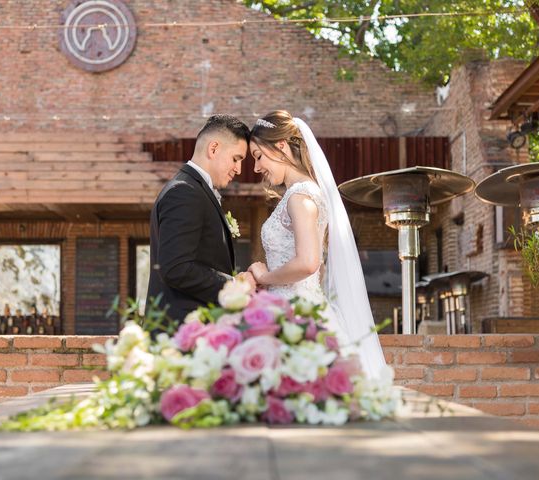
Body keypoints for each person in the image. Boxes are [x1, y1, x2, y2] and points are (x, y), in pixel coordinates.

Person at [247, 111, 387, 379]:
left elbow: (308, 262)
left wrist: (265, 276)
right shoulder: (301, 193)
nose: (256, 168)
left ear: (280, 146)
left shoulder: (300, 197)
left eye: (258, 156)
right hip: (294, 306)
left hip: (296, 314)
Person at [147, 114, 256, 324]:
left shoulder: (192, 189)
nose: (239, 169)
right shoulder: (185, 192)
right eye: (236, 159)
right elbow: (176, 268)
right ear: (213, 149)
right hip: (180, 332)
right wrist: (234, 284)